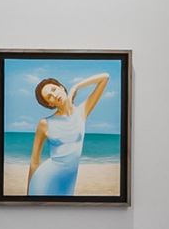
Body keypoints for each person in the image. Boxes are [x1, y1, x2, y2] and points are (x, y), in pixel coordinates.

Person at [22, 69, 110, 197]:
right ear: (49, 104)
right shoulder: (44, 124)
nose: (53, 95)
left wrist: (76, 86)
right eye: (49, 97)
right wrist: (27, 196)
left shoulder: (82, 111)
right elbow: (34, 161)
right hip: (44, 181)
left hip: (67, 182)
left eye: (53, 89)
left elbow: (105, 77)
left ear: (61, 87)